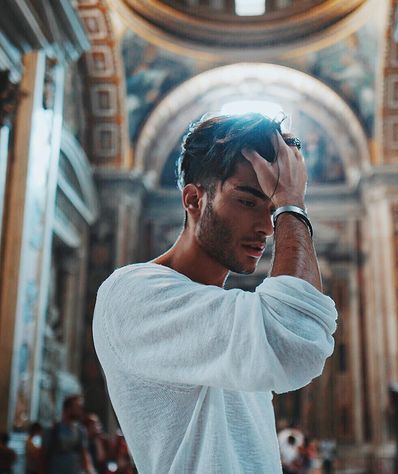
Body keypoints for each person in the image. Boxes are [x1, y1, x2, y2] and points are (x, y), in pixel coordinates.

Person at [93, 112, 338, 473]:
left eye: (271, 210)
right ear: (193, 199)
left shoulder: (229, 319)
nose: (267, 228)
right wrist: (291, 204)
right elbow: (296, 337)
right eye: (248, 201)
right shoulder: (131, 293)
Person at [43, 394, 95, 474]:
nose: (80, 410)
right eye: (77, 407)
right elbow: (43, 457)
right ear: (68, 409)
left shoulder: (80, 431)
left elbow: (84, 455)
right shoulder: (54, 429)